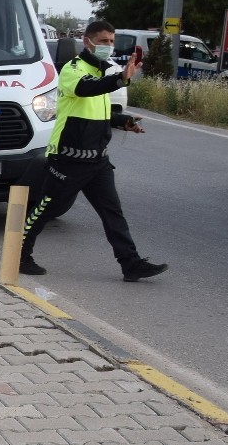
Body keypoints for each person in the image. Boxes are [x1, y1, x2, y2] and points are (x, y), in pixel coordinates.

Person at [20, 20, 167, 282]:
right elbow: (85, 90)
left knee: (113, 213)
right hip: (68, 159)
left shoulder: (103, 73)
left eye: (111, 42)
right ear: (87, 42)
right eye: (103, 42)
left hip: (97, 161)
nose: (108, 46)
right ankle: (20, 255)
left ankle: (130, 264)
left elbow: (98, 111)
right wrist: (120, 79)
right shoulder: (72, 70)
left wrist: (124, 122)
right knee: (43, 209)